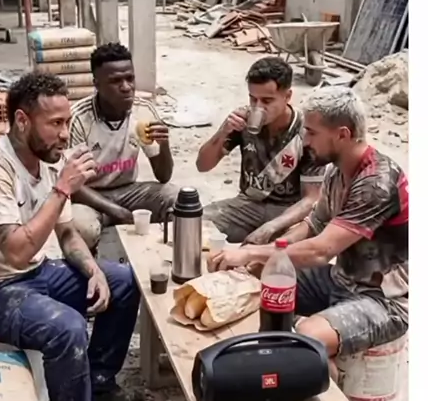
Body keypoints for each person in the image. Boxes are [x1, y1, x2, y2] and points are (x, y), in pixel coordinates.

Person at [0, 72, 144, 401]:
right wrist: (63, 189)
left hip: (36, 271)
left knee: (122, 280)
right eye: (55, 123)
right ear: (22, 121)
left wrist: (94, 270)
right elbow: (16, 251)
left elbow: (66, 233)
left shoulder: (49, 161)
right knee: (66, 328)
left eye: (67, 122)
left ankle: (98, 382)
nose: (65, 134)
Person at [210, 87, 409, 376]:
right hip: (340, 280)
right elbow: (313, 224)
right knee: (257, 276)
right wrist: (274, 248)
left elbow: (320, 251)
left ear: (342, 134)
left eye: (312, 133)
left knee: (303, 339)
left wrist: (252, 252)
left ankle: (325, 392)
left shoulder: (376, 182)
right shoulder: (338, 170)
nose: (304, 140)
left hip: (382, 300)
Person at [197, 57, 327, 244]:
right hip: (248, 204)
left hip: (288, 211)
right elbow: (203, 165)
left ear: (287, 96)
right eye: (253, 99)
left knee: (292, 245)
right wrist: (223, 132)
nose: (258, 107)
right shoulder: (243, 120)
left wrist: (271, 226)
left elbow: (312, 198)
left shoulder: (305, 131)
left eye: (267, 101)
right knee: (192, 224)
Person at [69, 42, 177, 251]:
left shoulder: (143, 110)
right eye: (115, 81)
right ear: (97, 84)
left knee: (178, 198)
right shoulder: (79, 119)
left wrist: (164, 144)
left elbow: (163, 176)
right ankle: (92, 266)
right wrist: (115, 211)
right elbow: (71, 185)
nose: (126, 87)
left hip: (129, 191)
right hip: (90, 196)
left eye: (130, 78)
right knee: (80, 227)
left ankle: (166, 257)